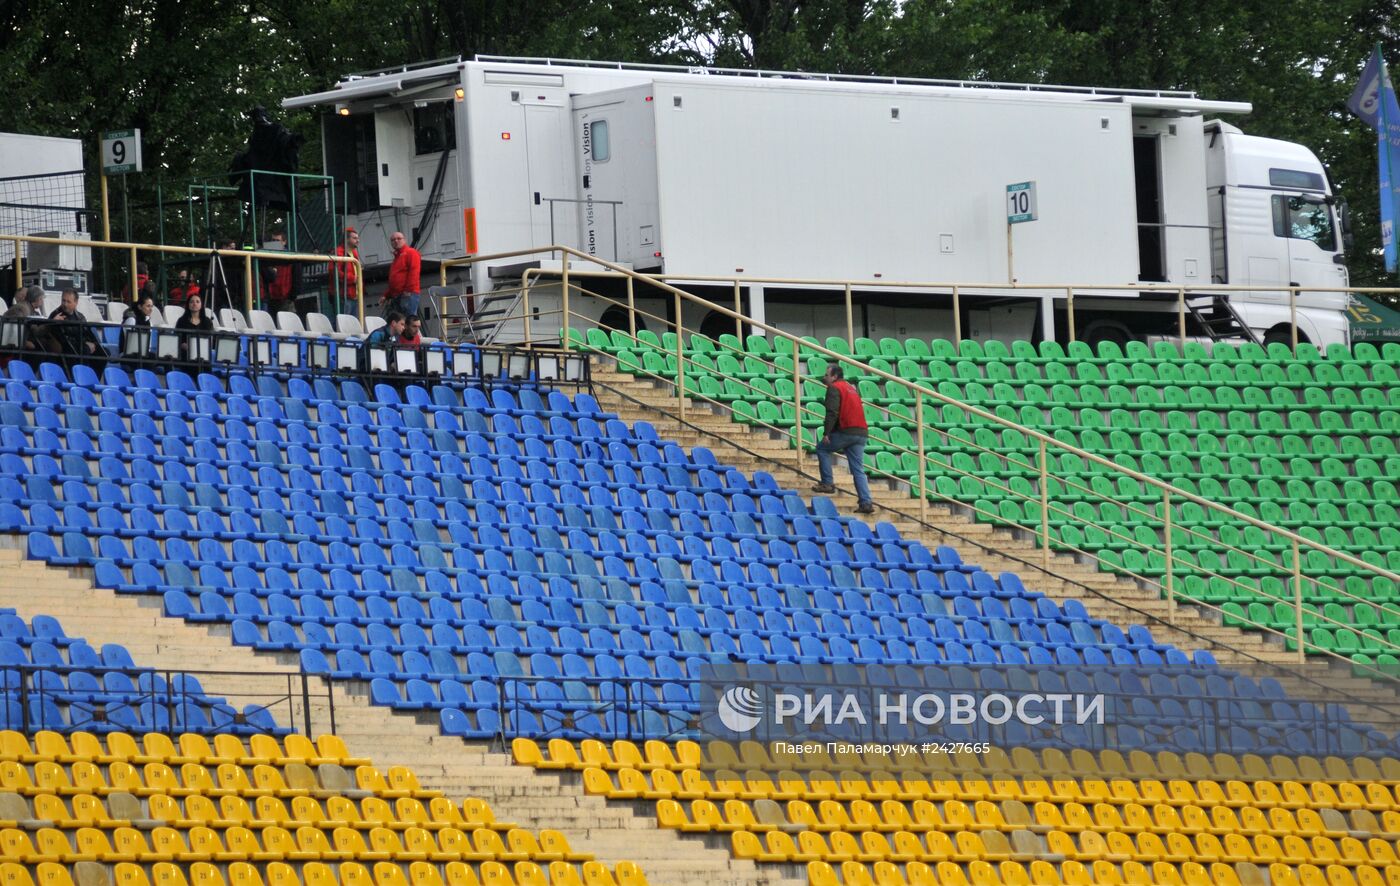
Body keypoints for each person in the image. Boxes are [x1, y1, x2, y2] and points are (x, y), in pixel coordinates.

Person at [812, 363, 874, 514]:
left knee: (822, 448)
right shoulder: (851, 388)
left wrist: (827, 433)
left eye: (826, 375)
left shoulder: (834, 388)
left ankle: (827, 483)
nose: (824, 377)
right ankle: (866, 503)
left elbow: (832, 412)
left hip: (847, 430)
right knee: (858, 470)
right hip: (861, 432)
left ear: (834, 377)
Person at [44, 288, 101, 358]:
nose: (65, 304)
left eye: (68, 302)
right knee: (85, 350)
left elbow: (87, 333)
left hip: (78, 345)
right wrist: (53, 322)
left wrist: (93, 343)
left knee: (102, 351)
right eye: (63, 300)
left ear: (76, 302)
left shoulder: (80, 317)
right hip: (66, 348)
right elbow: (64, 339)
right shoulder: (56, 315)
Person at [385, 231, 421, 318]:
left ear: (404, 240)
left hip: (407, 294)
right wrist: (386, 295)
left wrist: (408, 290)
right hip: (398, 295)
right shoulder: (397, 257)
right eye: (393, 240)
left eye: (398, 239)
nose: (396, 241)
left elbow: (414, 272)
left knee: (408, 322)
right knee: (401, 323)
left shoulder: (411, 253)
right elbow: (394, 279)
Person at [174, 292, 218, 361]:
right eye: (192, 302)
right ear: (188, 305)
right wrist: (182, 345)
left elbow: (211, 340)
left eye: (197, 302)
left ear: (201, 305)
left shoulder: (207, 321)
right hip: (186, 354)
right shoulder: (182, 321)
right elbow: (176, 338)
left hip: (203, 355)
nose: (194, 304)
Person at [261, 231, 294, 313]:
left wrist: (292, 296)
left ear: (284, 242)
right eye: (273, 240)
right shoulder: (267, 255)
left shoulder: (291, 256)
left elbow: (296, 277)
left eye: (277, 241)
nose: (275, 243)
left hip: (285, 298)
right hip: (271, 298)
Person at [335, 227, 360, 301]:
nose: (358, 240)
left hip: (354, 295)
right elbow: (335, 272)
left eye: (357, 238)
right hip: (344, 297)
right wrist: (352, 278)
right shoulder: (338, 253)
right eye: (355, 238)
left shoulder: (354, 253)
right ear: (347, 239)